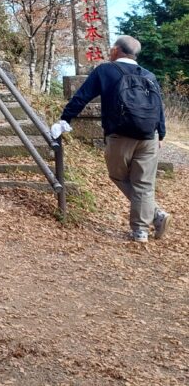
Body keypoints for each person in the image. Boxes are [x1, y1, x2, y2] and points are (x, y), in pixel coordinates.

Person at [51, 35, 171, 243]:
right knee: (143, 183)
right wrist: (161, 133)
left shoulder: (106, 70)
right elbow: (159, 106)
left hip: (120, 135)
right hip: (149, 135)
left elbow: (82, 96)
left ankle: (153, 216)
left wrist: (65, 119)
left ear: (116, 50)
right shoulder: (149, 75)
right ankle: (141, 230)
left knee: (118, 176)